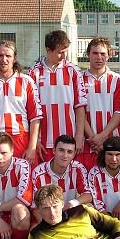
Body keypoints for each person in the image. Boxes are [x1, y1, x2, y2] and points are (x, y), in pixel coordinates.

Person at [28, 30, 87, 162]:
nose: (64, 56)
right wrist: (34, 141)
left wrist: (78, 137)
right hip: (43, 142)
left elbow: (80, 107)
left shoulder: (74, 71)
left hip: (69, 141)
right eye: (60, 52)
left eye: (65, 51)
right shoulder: (34, 72)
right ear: (48, 49)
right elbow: (30, 111)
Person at [79, 37, 120, 170]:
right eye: (95, 53)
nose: (99, 57)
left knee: (112, 184)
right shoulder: (78, 79)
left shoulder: (117, 80)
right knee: (88, 185)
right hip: (88, 143)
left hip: (112, 142)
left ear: (109, 55)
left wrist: (102, 136)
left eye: (103, 53)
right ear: (88, 54)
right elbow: (78, 111)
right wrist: (94, 139)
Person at [30, 134, 92, 221]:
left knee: (89, 206)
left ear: (74, 154)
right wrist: (48, 226)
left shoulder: (78, 168)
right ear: (54, 150)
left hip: (69, 213)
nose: (65, 156)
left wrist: (73, 203)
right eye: (61, 150)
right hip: (48, 217)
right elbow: (35, 208)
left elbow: (88, 195)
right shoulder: (38, 173)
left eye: (69, 152)